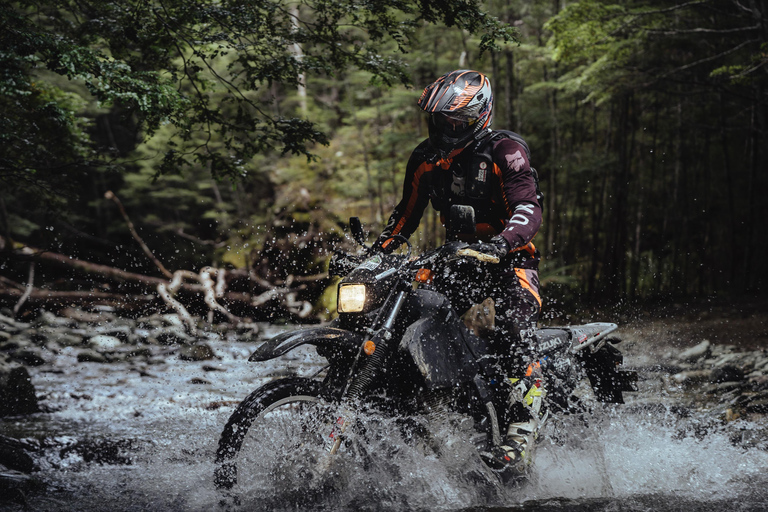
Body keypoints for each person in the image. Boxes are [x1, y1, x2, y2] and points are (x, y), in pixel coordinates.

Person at [374, 70, 545, 472]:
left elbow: (529, 206)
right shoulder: (425, 158)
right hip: (454, 260)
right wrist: (376, 252)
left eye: (453, 122)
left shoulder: (506, 150)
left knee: (511, 323)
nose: (444, 129)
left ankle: (524, 418)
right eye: (437, 121)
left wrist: (500, 243)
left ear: (477, 116)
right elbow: (405, 216)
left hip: (509, 261)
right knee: (401, 311)